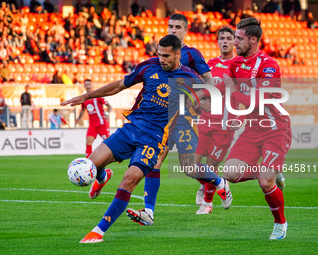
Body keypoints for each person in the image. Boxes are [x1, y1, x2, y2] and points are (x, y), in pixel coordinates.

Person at [61, 35, 231, 243]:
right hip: (130, 129)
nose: (161, 59)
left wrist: (205, 103)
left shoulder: (189, 77)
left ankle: (99, 230)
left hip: (154, 139)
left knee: (130, 179)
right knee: (91, 164)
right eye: (159, 54)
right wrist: (87, 96)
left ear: (178, 54)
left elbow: (212, 94)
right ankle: (102, 176)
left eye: (166, 56)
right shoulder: (149, 66)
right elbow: (120, 85)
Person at [191, 17, 291, 240]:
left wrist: (232, 91)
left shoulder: (269, 66)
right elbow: (224, 91)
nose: (234, 42)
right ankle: (272, 171)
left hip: (275, 128)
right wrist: (203, 99)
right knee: (230, 173)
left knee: (266, 183)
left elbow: (256, 101)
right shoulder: (236, 65)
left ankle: (280, 224)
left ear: (253, 40)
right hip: (252, 129)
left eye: (239, 38)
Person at [126, 13, 225, 225]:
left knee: (189, 169)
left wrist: (204, 100)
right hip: (160, 120)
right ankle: (149, 212)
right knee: (154, 161)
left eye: (178, 26)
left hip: (183, 119)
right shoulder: (162, 53)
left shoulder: (192, 54)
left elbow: (208, 84)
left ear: (186, 30)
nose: (173, 30)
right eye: (170, 26)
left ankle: (218, 182)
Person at [194, 26, 240, 214]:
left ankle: (207, 203)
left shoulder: (239, 65)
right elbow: (203, 87)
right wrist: (201, 101)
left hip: (224, 122)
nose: (225, 41)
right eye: (222, 38)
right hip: (205, 120)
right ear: (218, 41)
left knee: (212, 165)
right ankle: (215, 182)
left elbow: (240, 95)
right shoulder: (210, 63)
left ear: (235, 41)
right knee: (191, 165)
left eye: (229, 38)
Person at [76, 79, 112, 158]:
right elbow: (83, 109)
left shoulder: (98, 95)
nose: (88, 86)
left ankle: (110, 157)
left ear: (92, 85)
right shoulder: (84, 98)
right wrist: (78, 118)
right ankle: (88, 161)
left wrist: (107, 113)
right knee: (88, 142)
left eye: (89, 84)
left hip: (102, 123)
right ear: (84, 86)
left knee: (108, 143)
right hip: (92, 124)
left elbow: (109, 106)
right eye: (86, 85)